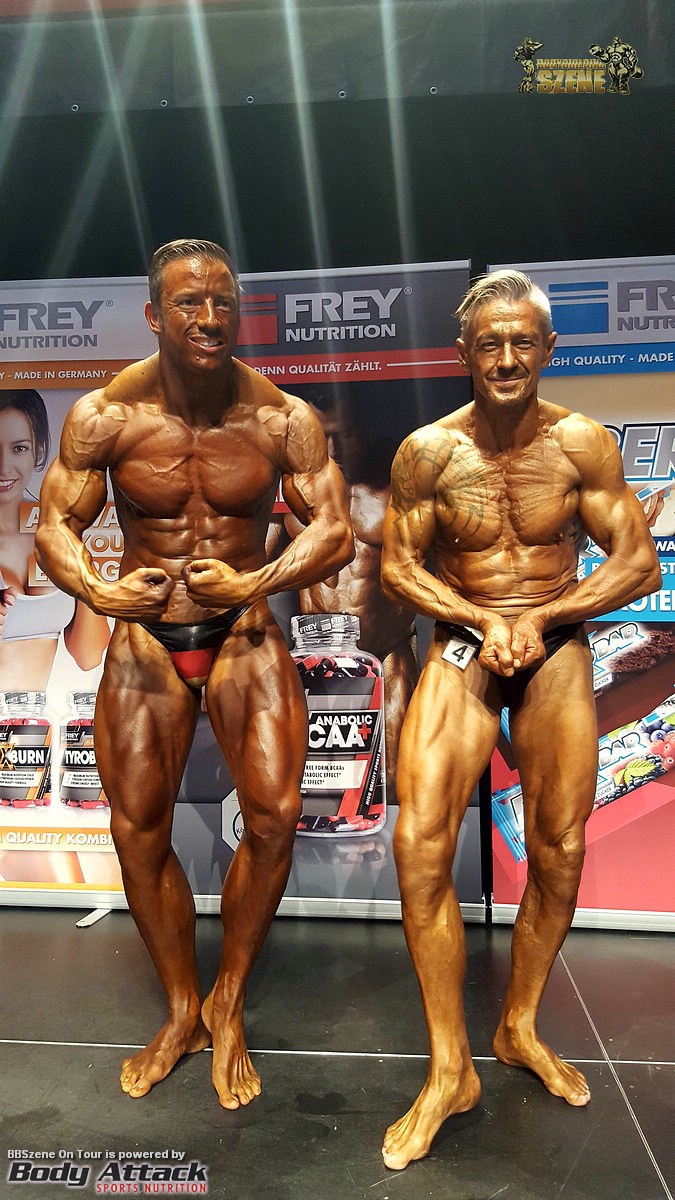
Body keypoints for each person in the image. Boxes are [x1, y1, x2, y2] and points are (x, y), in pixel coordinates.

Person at [35, 238, 354, 1106]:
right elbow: (55, 525)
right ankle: (181, 1006)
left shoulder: (279, 417)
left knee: (276, 818)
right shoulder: (106, 415)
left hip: (243, 629)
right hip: (146, 637)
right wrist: (101, 590)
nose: (209, 318)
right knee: (138, 830)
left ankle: (229, 999)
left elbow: (333, 530)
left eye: (222, 302)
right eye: (188, 303)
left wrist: (257, 580)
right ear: (154, 314)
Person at [379, 269, 661, 1170]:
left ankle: (519, 1026)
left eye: (522, 342)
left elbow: (637, 562)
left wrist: (539, 618)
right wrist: (477, 618)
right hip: (462, 644)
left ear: (547, 348)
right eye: (489, 344)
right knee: (418, 843)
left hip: (555, 641)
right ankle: (448, 1067)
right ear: (463, 352)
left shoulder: (580, 443)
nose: (505, 358)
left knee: (560, 847)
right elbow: (397, 568)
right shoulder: (427, 452)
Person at [268, 385, 419, 801]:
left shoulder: (398, 488)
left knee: (391, 784)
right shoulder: (289, 492)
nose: (333, 449)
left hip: (385, 655)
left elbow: (442, 570)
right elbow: (248, 575)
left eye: (344, 434)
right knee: (311, 791)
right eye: (323, 436)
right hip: (312, 659)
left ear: (363, 428)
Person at [0, 390, 111, 887]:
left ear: (39, 450)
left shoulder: (56, 536)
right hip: (19, 745)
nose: (4, 466)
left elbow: (88, 655)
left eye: (18, 448)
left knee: (81, 875)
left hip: (39, 738)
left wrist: (83, 576)